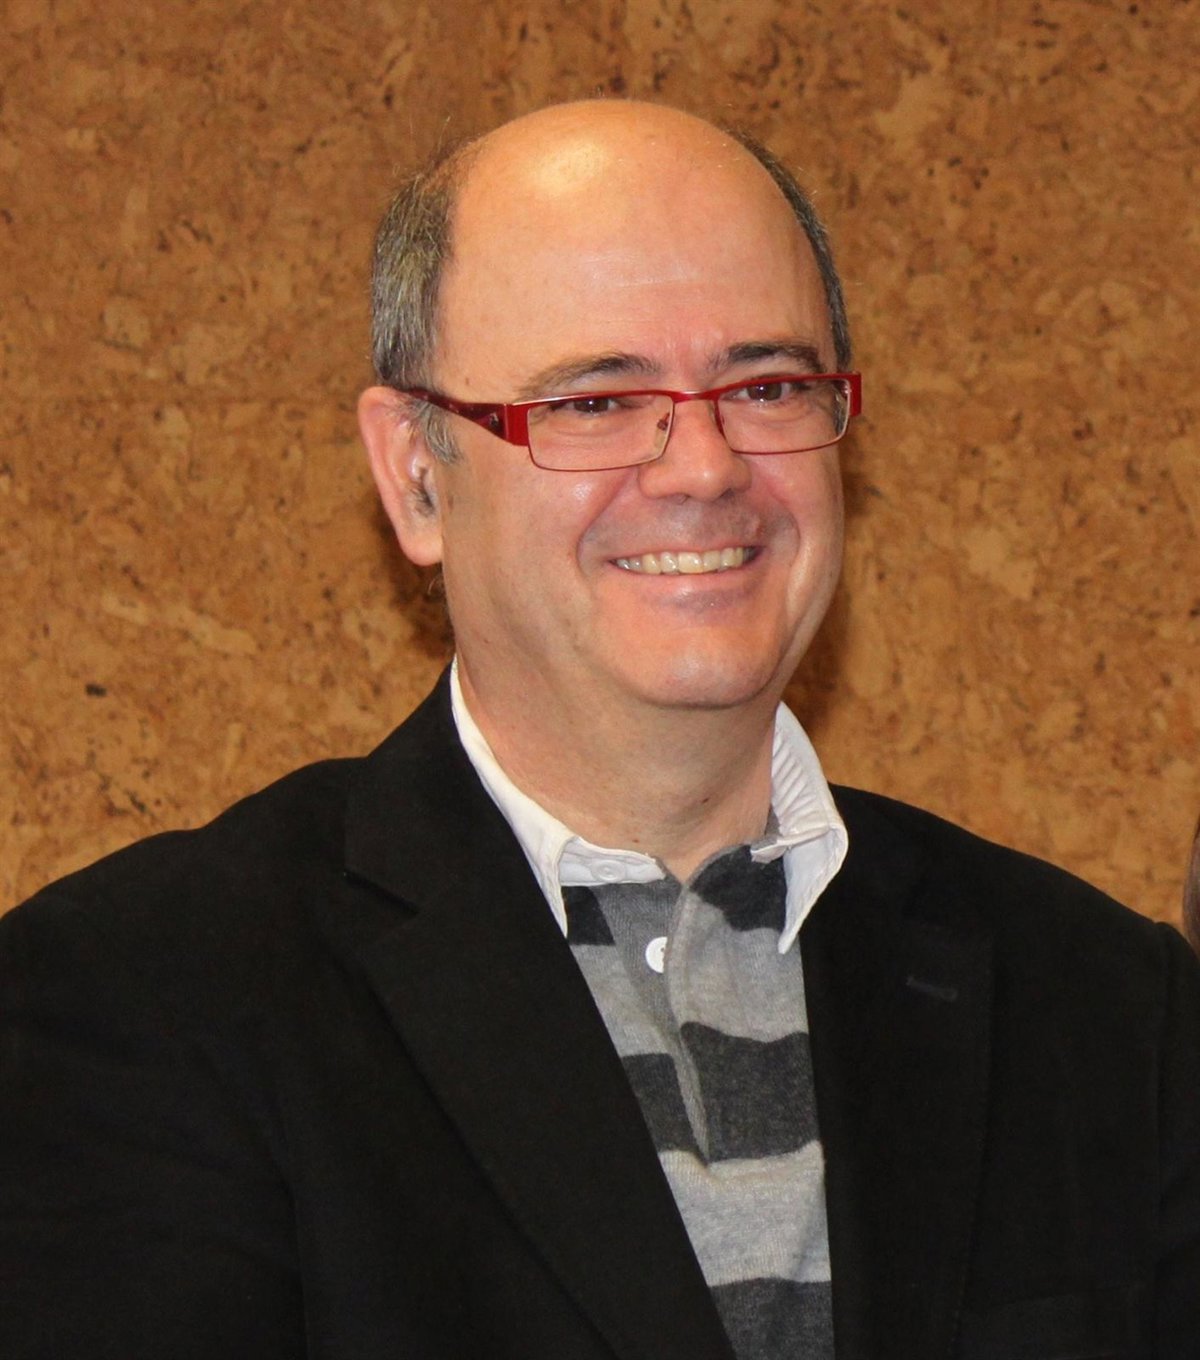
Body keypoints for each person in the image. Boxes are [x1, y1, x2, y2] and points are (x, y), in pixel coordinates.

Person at [2, 100, 1198, 1360]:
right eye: (596, 403)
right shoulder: (132, 1002)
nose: (703, 466)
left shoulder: (1122, 1018)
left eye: (768, 385)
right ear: (416, 474)